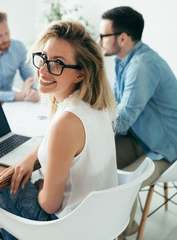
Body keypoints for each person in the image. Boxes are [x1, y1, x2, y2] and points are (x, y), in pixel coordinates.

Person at [0, 20, 118, 240]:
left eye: (57, 63)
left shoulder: (66, 121)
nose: (43, 69)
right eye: (43, 57)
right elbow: (60, 143)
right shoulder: (96, 106)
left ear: (80, 74)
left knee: (2, 192)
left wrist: (41, 184)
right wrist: (31, 157)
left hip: (69, 229)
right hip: (99, 222)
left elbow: (50, 205)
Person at [98, 6, 177, 239]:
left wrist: (91, 121)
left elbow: (120, 122)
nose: (99, 40)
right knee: (93, 157)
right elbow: (115, 106)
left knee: (121, 185)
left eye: (103, 35)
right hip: (140, 136)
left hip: (163, 147)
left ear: (122, 38)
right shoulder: (124, 61)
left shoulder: (141, 66)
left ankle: (119, 231)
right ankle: (106, 225)